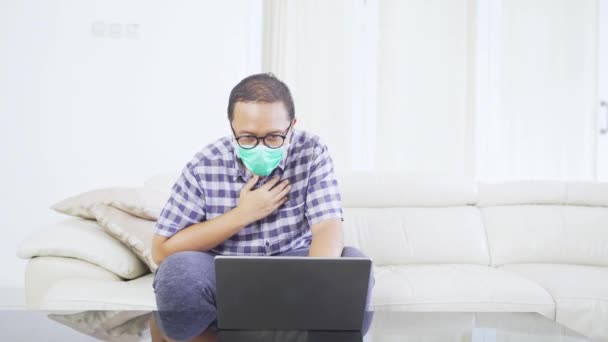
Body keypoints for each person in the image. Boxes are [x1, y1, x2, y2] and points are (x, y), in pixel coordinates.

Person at [149, 73, 375, 342]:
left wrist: (317, 284)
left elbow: (327, 226)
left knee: (352, 265)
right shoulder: (205, 164)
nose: (260, 148)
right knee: (178, 270)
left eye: (273, 137)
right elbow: (161, 250)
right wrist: (242, 215)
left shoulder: (312, 151)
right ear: (232, 128)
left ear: (292, 126)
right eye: (247, 137)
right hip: (224, 271)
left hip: (297, 270)